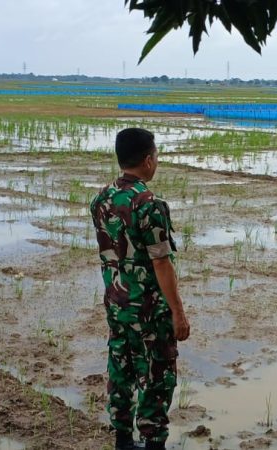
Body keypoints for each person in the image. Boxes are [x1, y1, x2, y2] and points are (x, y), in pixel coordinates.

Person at [90, 128, 191, 450]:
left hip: (117, 303)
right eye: (156, 155)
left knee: (121, 365)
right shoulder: (150, 205)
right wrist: (178, 312)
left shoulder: (102, 199)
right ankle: (152, 443)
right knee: (157, 376)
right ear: (148, 160)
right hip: (149, 309)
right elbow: (161, 263)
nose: (156, 161)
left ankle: (122, 438)